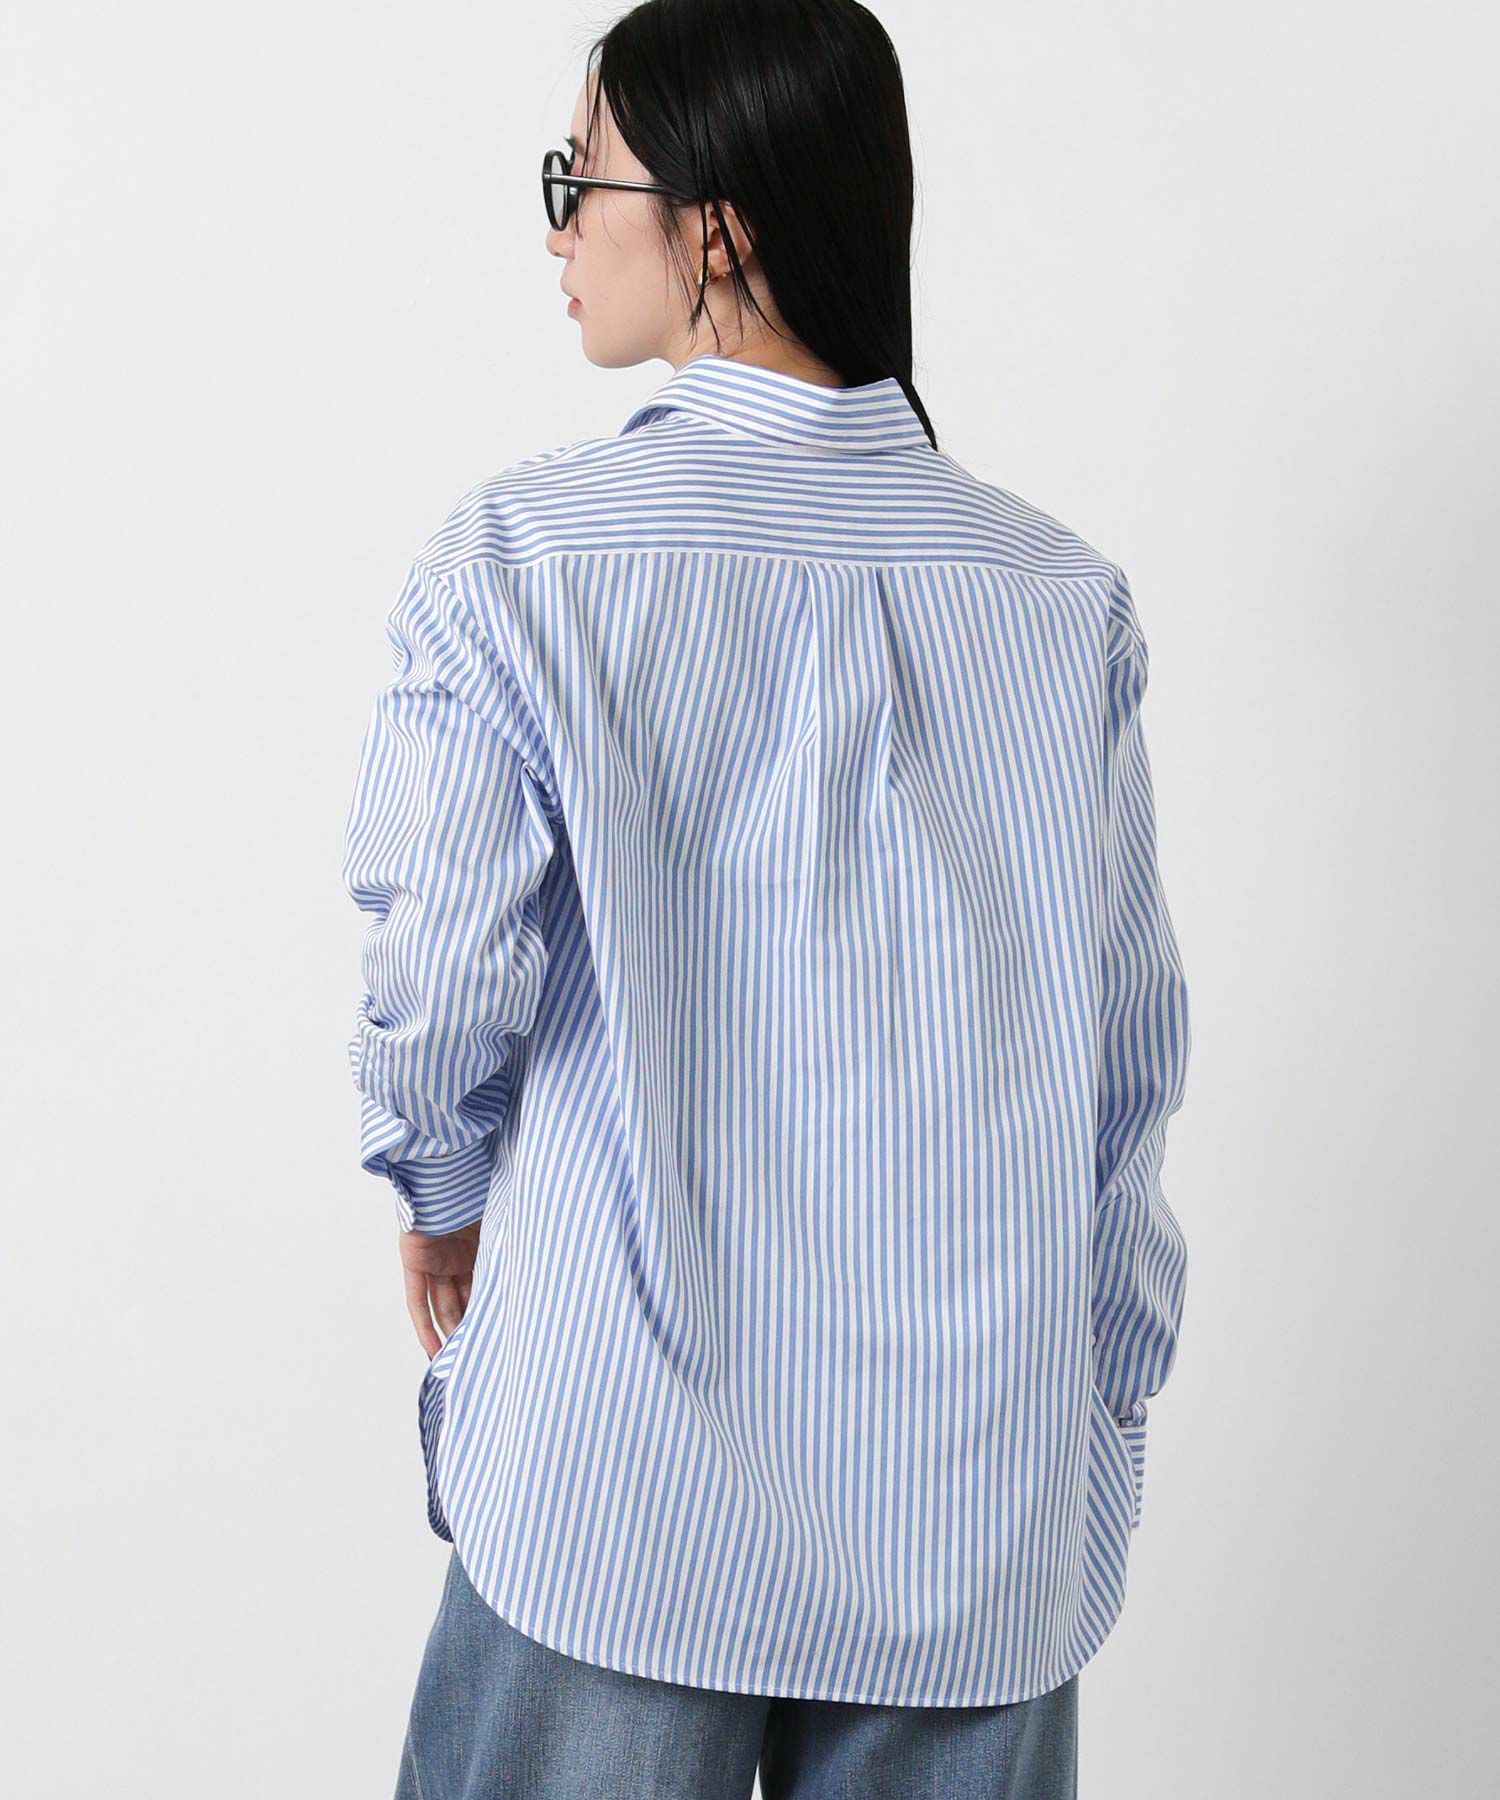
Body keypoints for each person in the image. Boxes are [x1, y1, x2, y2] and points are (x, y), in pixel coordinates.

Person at [339, 2, 1192, 1795]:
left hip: (617, 1491)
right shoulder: (1060, 601)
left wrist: (439, 1188)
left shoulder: (526, 560)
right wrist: (1100, 1413)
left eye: (583, 178)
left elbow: (442, 970)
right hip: (970, 1521)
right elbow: (1127, 1077)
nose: (558, 228)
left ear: (715, 228)